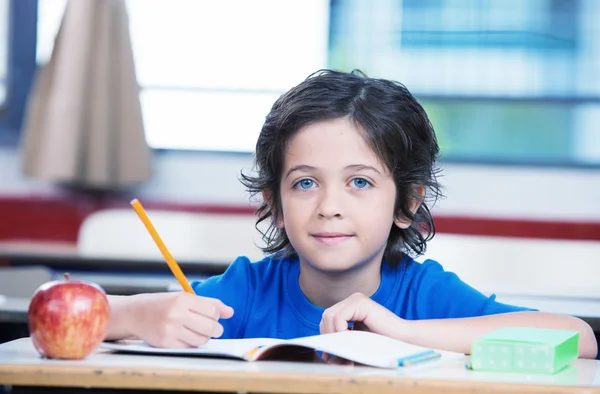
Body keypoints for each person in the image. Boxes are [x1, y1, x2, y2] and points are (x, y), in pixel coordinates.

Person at [105, 70, 597, 359]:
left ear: (407, 203)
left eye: (359, 181)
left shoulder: (424, 294)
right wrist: (132, 313)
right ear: (275, 205)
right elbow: (55, 314)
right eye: (304, 183)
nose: (330, 206)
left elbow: (579, 339)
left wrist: (404, 332)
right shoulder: (246, 293)